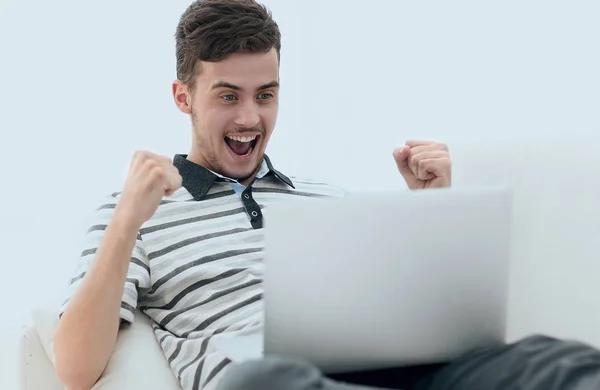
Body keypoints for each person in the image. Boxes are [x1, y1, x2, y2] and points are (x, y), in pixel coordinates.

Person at [53, 1, 600, 390]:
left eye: (265, 95)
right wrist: (127, 220)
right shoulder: (136, 211)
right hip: (271, 379)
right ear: (182, 97)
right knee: (266, 379)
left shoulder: (326, 199)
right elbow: (75, 370)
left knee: (548, 358)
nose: (250, 118)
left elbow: (406, 315)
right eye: (228, 96)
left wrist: (431, 209)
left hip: (390, 370)